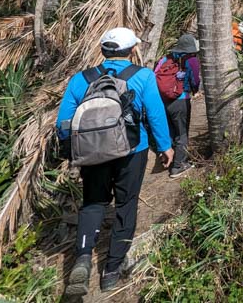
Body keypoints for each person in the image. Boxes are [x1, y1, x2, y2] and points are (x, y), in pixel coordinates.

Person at [56, 27, 173, 296]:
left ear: (103, 51)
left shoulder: (80, 79)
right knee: (126, 204)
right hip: (132, 150)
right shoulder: (142, 76)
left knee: (93, 203)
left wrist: (74, 150)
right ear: (132, 50)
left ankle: (83, 257)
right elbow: (155, 115)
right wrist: (165, 147)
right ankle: (111, 271)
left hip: (91, 153)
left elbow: (64, 123)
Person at [154, 34, 200, 179]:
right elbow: (195, 80)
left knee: (170, 130)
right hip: (180, 100)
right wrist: (194, 90)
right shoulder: (191, 60)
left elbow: (155, 76)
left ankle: (168, 157)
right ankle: (178, 166)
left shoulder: (165, 58)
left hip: (164, 100)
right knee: (182, 133)